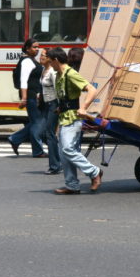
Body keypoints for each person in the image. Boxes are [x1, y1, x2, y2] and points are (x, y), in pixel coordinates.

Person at [47, 47, 102, 194]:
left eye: (50, 62)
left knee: (68, 149)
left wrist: (83, 107)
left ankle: (94, 172)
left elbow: (92, 89)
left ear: (56, 60)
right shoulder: (59, 74)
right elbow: (66, 96)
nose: (49, 65)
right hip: (64, 117)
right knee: (64, 153)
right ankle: (72, 185)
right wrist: (61, 107)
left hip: (73, 119)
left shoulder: (71, 74)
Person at [8, 38, 46, 158]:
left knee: (37, 122)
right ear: (27, 48)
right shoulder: (26, 61)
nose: (37, 49)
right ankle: (37, 151)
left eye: (38, 47)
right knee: (38, 123)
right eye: (34, 47)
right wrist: (24, 98)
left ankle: (15, 138)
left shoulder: (31, 60)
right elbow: (23, 81)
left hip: (35, 96)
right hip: (30, 96)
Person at [39, 48, 61, 174]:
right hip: (46, 105)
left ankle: (55, 166)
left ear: (49, 58)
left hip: (54, 105)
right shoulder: (43, 70)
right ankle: (60, 159)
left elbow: (58, 90)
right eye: (40, 55)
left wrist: (59, 106)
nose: (41, 57)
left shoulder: (52, 72)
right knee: (42, 133)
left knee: (50, 134)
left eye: (44, 56)